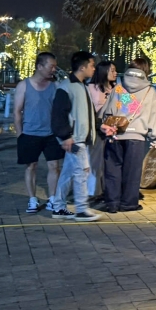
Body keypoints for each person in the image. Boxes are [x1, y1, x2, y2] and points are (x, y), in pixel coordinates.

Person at [100, 56, 156, 213]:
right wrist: (153, 135)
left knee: (112, 170)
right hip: (136, 137)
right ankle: (128, 203)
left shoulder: (119, 88)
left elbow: (107, 111)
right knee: (132, 172)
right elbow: (155, 115)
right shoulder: (149, 91)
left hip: (115, 134)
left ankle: (112, 203)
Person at [50, 51, 102, 222]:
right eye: (92, 65)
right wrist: (65, 136)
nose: (94, 68)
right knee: (82, 172)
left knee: (69, 174)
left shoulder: (80, 86)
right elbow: (58, 114)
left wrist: (100, 126)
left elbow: (87, 114)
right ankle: (81, 209)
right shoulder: (67, 87)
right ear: (82, 67)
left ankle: (59, 207)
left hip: (77, 137)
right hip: (74, 138)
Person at [14, 52, 64, 214]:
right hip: (29, 134)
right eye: (51, 66)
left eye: (55, 66)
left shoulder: (55, 86)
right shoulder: (24, 85)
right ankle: (32, 199)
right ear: (39, 66)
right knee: (31, 166)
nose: (54, 69)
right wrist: (20, 135)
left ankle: (53, 198)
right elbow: (17, 112)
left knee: (54, 166)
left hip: (51, 134)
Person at [87, 60, 116, 203]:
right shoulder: (91, 88)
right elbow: (88, 109)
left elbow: (129, 105)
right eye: (112, 70)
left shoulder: (117, 88)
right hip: (97, 129)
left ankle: (107, 190)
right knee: (94, 162)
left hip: (114, 130)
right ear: (103, 71)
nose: (115, 73)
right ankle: (93, 192)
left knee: (109, 162)